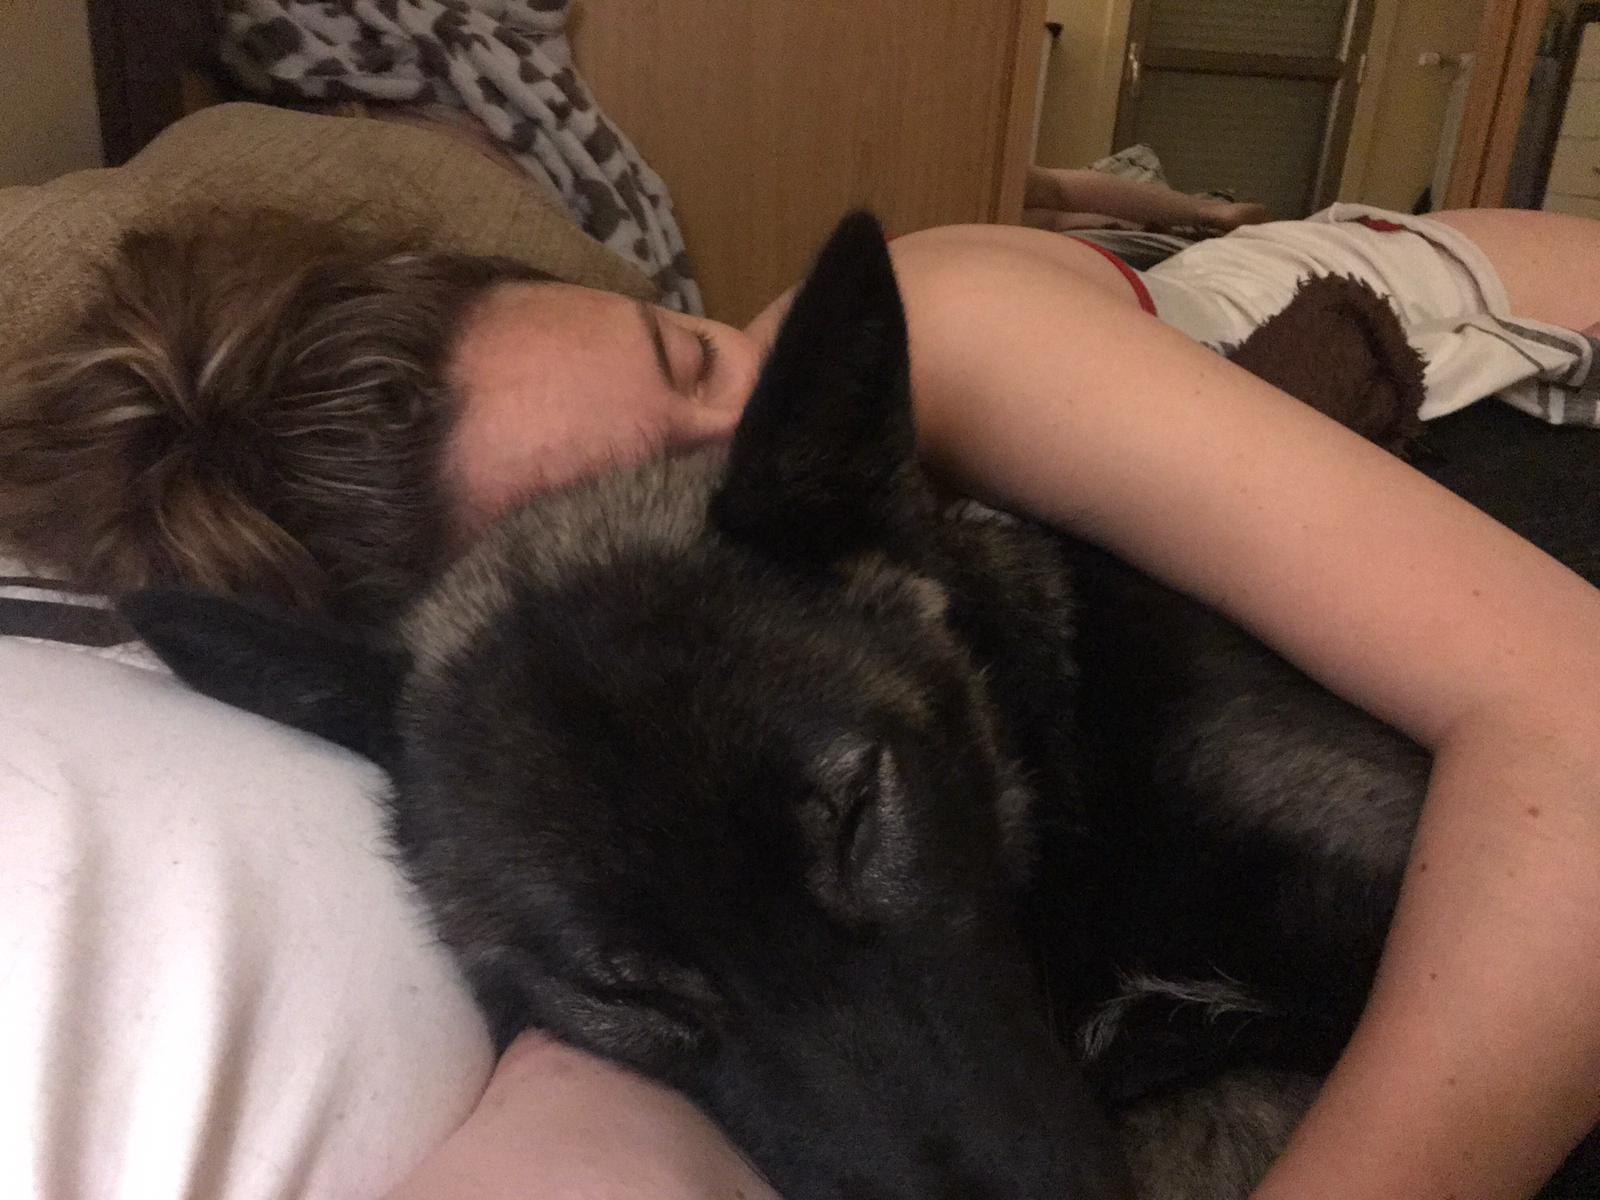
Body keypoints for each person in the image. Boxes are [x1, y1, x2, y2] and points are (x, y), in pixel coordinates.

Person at [4, 201, 1600, 1200]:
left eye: (683, 352)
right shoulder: (561, 740)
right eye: (641, 489)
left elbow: (1569, 734)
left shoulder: (930, 353)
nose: (756, 406)